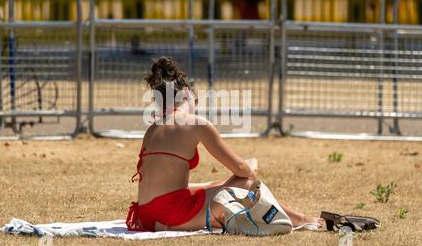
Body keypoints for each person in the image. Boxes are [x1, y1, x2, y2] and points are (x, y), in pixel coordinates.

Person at [126, 57, 324, 232]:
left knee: (218, 184)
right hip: (170, 214)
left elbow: (169, 184)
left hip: (146, 215)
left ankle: (299, 218)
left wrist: (224, 181)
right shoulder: (197, 124)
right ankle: (301, 220)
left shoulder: (153, 129)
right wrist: (250, 166)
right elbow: (242, 169)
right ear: (187, 94)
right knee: (245, 183)